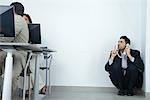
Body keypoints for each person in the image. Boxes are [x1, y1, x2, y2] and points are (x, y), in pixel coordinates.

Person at [0, 2, 29, 92]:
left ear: (11, 9)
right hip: (13, 52)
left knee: (9, 77)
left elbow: (8, 37)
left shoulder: (17, 19)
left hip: (17, 54)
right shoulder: (18, 19)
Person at [21, 13, 46, 94]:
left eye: (26, 19)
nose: (24, 21)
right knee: (24, 66)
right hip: (25, 55)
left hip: (35, 55)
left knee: (31, 66)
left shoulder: (32, 30)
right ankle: (31, 87)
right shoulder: (19, 30)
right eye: (22, 19)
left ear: (29, 21)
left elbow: (34, 46)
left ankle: (35, 87)